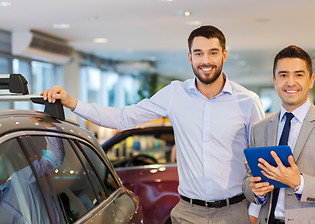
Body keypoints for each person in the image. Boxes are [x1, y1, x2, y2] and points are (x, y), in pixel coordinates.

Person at [41, 25, 265, 224]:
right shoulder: (175, 94)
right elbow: (123, 117)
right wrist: (71, 103)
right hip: (188, 212)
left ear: (224, 55)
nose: (205, 61)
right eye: (199, 53)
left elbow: (261, 160)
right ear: (190, 57)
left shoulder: (247, 101)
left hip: (235, 212)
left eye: (213, 53)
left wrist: (254, 210)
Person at [243, 45, 315, 224]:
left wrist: (299, 182)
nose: (290, 82)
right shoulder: (260, 128)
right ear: (275, 81)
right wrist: (256, 191)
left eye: (299, 75)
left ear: (311, 80)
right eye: (283, 75)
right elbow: (248, 180)